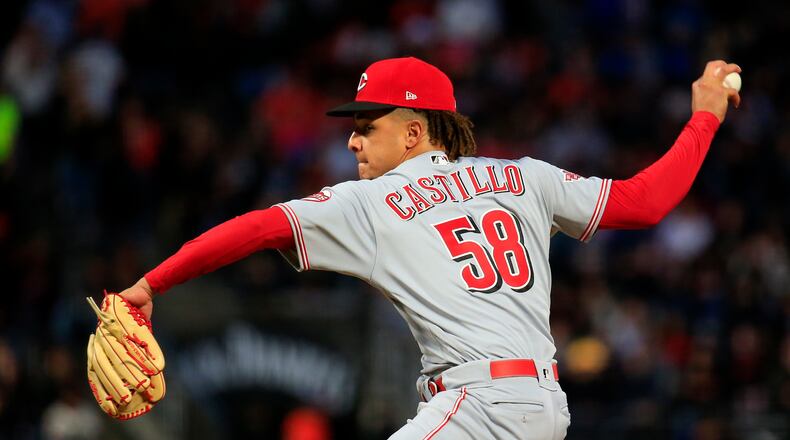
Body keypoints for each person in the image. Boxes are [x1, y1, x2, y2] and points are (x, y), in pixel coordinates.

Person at [116, 57, 740, 439]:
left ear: (414, 131)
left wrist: (150, 285)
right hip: (547, 409)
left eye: (367, 126)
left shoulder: (368, 202)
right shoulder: (524, 175)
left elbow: (254, 228)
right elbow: (647, 200)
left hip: (477, 410)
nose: (354, 142)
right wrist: (705, 116)